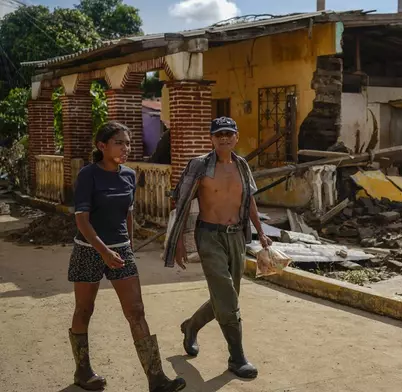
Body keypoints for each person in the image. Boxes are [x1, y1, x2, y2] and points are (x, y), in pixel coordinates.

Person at [68, 121, 186, 392]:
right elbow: (82, 220)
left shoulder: (129, 175)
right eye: (119, 142)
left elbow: (128, 213)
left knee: (136, 311)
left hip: (120, 250)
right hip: (89, 250)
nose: (125, 148)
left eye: (128, 143)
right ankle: (82, 371)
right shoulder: (88, 175)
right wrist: (103, 251)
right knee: (84, 309)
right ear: (102, 146)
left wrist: (128, 246)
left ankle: (156, 378)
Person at [162, 116, 271, 379]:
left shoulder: (242, 165)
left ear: (236, 137)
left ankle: (191, 326)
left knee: (226, 296)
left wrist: (262, 232)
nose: (224, 138)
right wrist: (177, 242)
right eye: (218, 134)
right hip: (209, 236)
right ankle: (237, 356)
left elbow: (249, 201)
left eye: (228, 134)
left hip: (236, 236)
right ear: (211, 138)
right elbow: (182, 202)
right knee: (227, 296)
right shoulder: (199, 165)